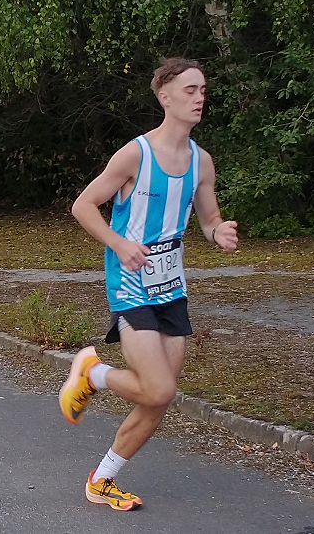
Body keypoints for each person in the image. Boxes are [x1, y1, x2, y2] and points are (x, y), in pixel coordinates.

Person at [63, 57, 239, 510]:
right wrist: (120, 244)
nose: (199, 97)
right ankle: (93, 373)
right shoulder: (135, 154)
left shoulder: (202, 161)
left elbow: (207, 216)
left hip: (172, 288)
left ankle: (101, 481)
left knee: (158, 398)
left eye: (203, 90)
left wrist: (217, 231)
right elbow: (84, 206)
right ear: (164, 97)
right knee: (159, 389)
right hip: (130, 285)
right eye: (189, 90)